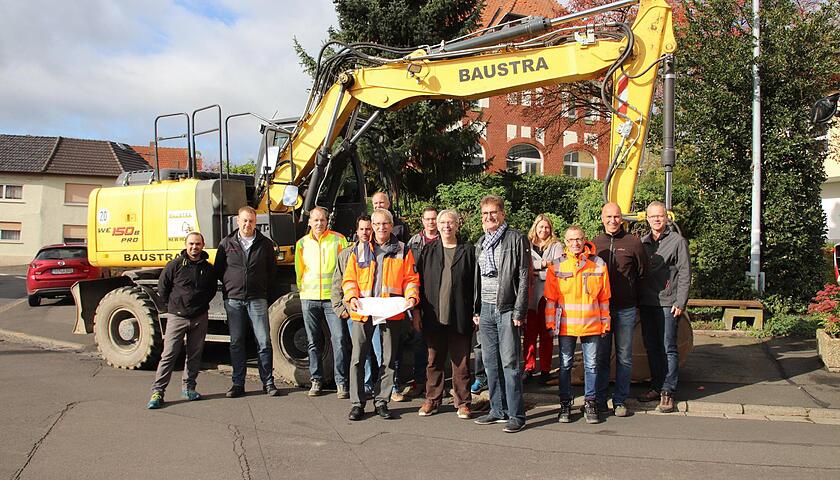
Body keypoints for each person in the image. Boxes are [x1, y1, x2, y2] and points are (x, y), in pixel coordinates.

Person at [343, 208, 420, 421]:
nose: (380, 228)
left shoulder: (403, 250)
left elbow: (411, 279)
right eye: (376, 224)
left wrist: (412, 298)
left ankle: (382, 401)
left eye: (384, 224)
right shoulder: (359, 250)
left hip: (390, 311)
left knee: (388, 359)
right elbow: (349, 279)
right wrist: (351, 298)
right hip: (363, 311)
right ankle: (357, 403)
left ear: (391, 225)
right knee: (358, 358)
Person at [472, 195, 530, 433]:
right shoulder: (481, 242)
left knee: (510, 363)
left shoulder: (516, 239)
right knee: (490, 363)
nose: (489, 217)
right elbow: (477, 278)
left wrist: (519, 310)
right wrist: (476, 309)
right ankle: (497, 410)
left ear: (502, 214)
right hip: (485, 308)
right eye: (485, 214)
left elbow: (525, 276)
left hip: (506, 308)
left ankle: (517, 414)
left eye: (493, 212)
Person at [544, 226, 611, 424]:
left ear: (584, 240)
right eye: (571, 240)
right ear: (565, 242)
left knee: (591, 365)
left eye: (579, 239)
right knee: (564, 366)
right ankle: (565, 403)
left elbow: (604, 298)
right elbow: (550, 300)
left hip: (592, 325)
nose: (575, 243)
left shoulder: (598, 264)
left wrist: (605, 323)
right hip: (566, 326)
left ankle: (590, 402)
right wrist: (550, 325)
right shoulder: (556, 266)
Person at [147, 232, 217, 409]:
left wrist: (200, 305)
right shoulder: (175, 265)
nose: (195, 247)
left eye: (198, 244)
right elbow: (163, 288)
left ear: (203, 245)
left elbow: (211, 290)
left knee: (194, 355)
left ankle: (189, 388)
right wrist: (174, 306)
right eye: (191, 244)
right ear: (186, 245)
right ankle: (158, 392)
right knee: (169, 355)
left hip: (199, 317)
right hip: (177, 317)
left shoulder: (208, 268)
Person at [416, 209, 475, 419]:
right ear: (437, 226)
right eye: (443, 222)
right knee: (434, 360)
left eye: (451, 222)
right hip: (434, 316)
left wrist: (475, 312)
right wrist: (417, 313)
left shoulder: (468, 251)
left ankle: (463, 403)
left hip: (460, 315)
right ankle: (432, 399)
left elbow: (475, 285)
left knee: (461, 363)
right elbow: (418, 284)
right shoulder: (428, 250)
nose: (447, 226)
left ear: (458, 225)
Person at [216, 206, 279, 398]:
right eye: (244, 220)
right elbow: (219, 269)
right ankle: (237, 384)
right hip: (234, 300)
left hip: (257, 298)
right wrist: (230, 286)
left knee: (264, 342)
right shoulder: (226, 243)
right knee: (236, 342)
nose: (247, 224)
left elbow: (271, 271)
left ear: (255, 222)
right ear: (237, 221)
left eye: (251, 221)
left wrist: (260, 286)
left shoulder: (265, 244)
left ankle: (268, 382)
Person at [594, 203, 648, 417]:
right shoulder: (595, 243)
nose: (613, 220)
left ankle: (620, 400)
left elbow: (643, 273)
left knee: (624, 357)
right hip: (602, 311)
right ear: (602, 218)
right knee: (601, 356)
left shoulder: (634, 242)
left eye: (616, 216)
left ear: (622, 219)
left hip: (626, 309)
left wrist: (637, 302)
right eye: (609, 216)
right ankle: (599, 399)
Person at [637, 201, 690, 413]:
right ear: (647, 219)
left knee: (668, 347)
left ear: (666, 217)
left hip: (668, 303)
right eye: (652, 216)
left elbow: (685, 273)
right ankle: (656, 386)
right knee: (652, 346)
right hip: (647, 302)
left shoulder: (678, 242)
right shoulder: (642, 242)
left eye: (660, 216)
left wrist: (681, 301)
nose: (656, 220)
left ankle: (668, 391)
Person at [295, 207, 349, 397]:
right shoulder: (301, 244)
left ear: (327, 222)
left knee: (340, 340)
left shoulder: (339, 240)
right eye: (315, 220)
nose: (319, 223)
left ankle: (341, 382)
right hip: (309, 298)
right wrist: (304, 290)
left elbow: (346, 268)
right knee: (313, 342)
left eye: (322, 220)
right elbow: (299, 272)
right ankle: (316, 380)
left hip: (332, 300)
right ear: (309, 222)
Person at [523, 214, 563, 384]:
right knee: (529, 334)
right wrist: (543, 265)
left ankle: (546, 369)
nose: (543, 230)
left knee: (547, 334)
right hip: (530, 295)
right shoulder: (526, 245)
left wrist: (536, 270)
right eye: (540, 227)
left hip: (549, 295)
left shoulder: (557, 245)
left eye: (546, 227)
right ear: (535, 227)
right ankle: (528, 367)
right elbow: (525, 266)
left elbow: (559, 267)